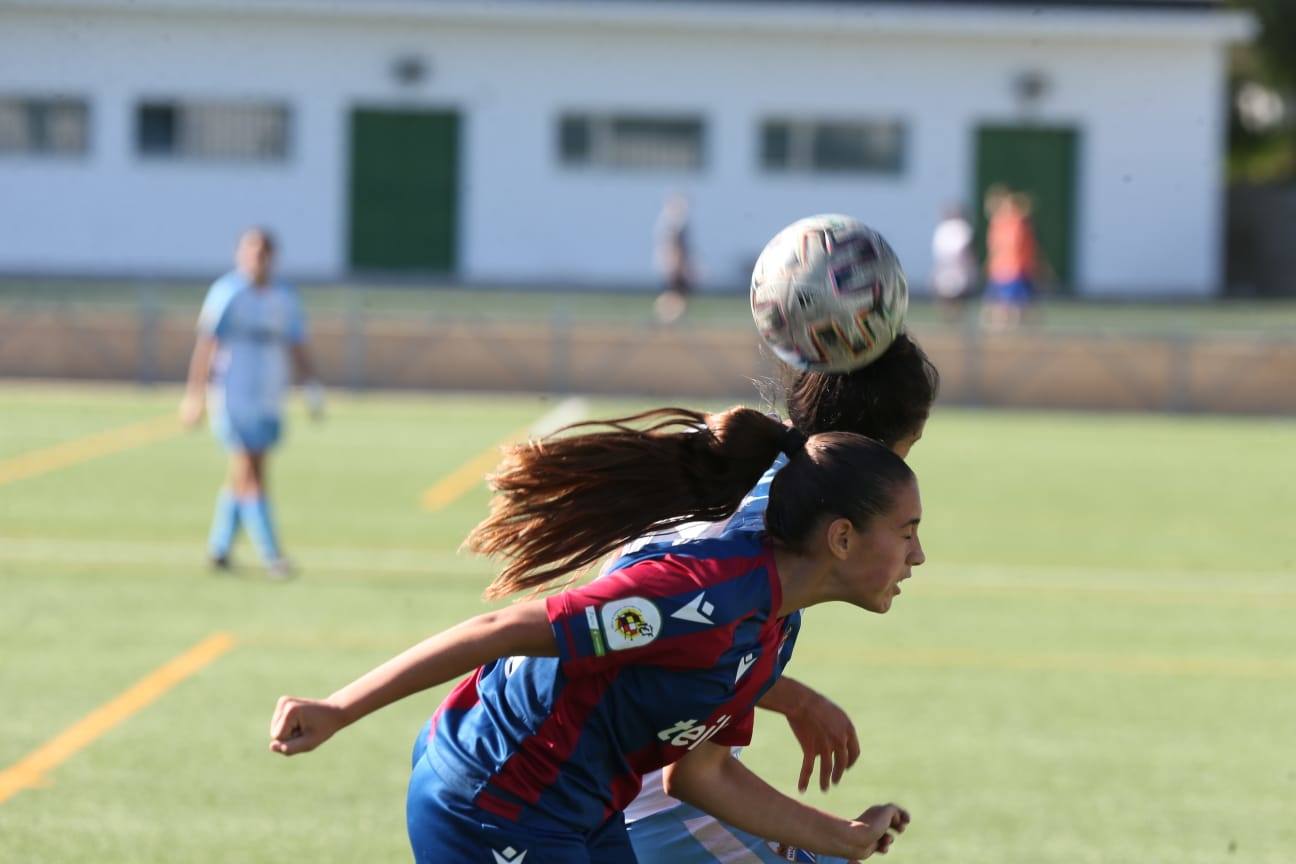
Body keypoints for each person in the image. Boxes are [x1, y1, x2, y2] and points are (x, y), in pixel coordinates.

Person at [270, 406, 922, 862]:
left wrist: (843, 837)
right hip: (491, 799)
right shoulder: (698, 597)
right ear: (841, 537)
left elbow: (701, 777)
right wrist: (338, 708)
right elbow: (501, 629)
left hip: (576, 811)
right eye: (906, 531)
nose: (917, 556)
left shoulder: (776, 628)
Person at [621, 333, 938, 864]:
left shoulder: (753, 473)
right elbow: (695, 774)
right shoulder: (769, 554)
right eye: (910, 447)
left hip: (615, 782)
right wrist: (841, 836)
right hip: (639, 797)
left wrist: (789, 695)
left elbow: (675, 642)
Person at [179, 227, 322, 578]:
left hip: (270, 394)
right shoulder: (228, 293)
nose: (257, 258)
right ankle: (273, 555)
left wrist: (311, 387)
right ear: (240, 254)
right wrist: (194, 395)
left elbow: (296, 343)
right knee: (252, 471)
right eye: (251, 251)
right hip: (234, 393)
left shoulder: (284, 297)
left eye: (263, 252)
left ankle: (219, 548)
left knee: (243, 473)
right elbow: (207, 344)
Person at [982, 189, 1040, 331]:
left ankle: (1016, 332)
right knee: (998, 304)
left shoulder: (1017, 225)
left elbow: (1016, 246)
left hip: (1014, 269)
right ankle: (998, 331)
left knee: (1016, 305)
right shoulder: (999, 224)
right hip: (1002, 269)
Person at [930, 202, 978, 323]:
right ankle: (955, 318)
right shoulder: (961, 227)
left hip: (949, 266)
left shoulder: (944, 228)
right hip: (956, 266)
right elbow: (966, 248)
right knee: (956, 295)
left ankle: (951, 318)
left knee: (949, 294)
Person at [653, 192, 694, 324]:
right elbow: (675, 247)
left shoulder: (670, 223)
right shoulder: (674, 225)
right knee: (675, 295)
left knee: (677, 295)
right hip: (675, 267)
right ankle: (666, 318)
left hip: (675, 266)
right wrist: (678, 266)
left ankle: (668, 318)